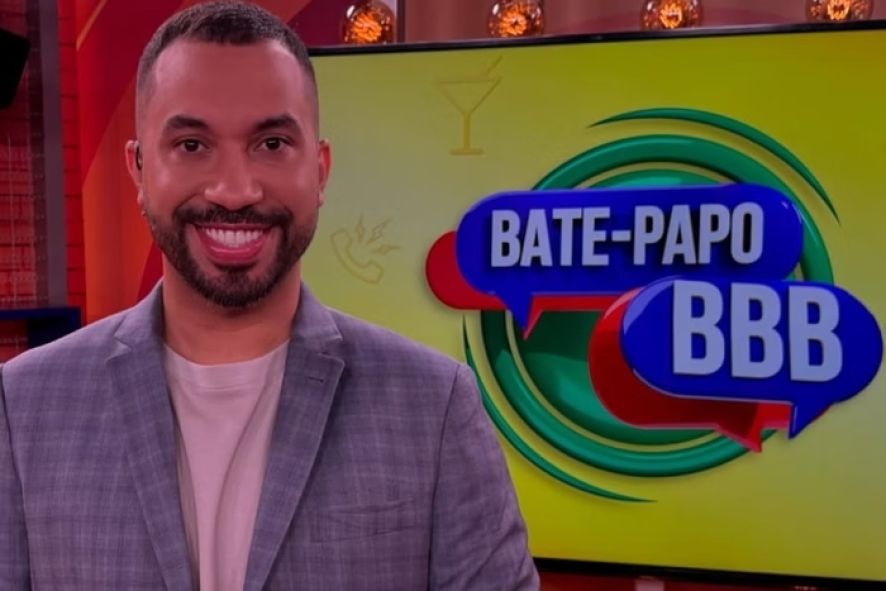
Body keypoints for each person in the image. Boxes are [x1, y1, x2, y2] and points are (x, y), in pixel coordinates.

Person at [0, 2, 539, 589]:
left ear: (320, 169)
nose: (235, 191)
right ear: (138, 169)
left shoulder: (435, 406)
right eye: (191, 145)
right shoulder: (23, 407)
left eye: (273, 143)